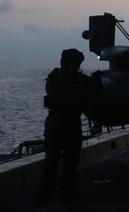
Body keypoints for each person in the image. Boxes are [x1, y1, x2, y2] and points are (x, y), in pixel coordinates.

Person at [38, 49, 98, 202]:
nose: (75, 67)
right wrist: (79, 97)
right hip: (57, 122)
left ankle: (66, 190)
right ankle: (46, 191)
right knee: (52, 159)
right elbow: (57, 96)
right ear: (65, 63)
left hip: (72, 122)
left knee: (72, 159)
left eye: (77, 64)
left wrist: (97, 81)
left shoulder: (80, 78)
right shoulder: (55, 77)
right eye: (73, 63)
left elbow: (92, 88)